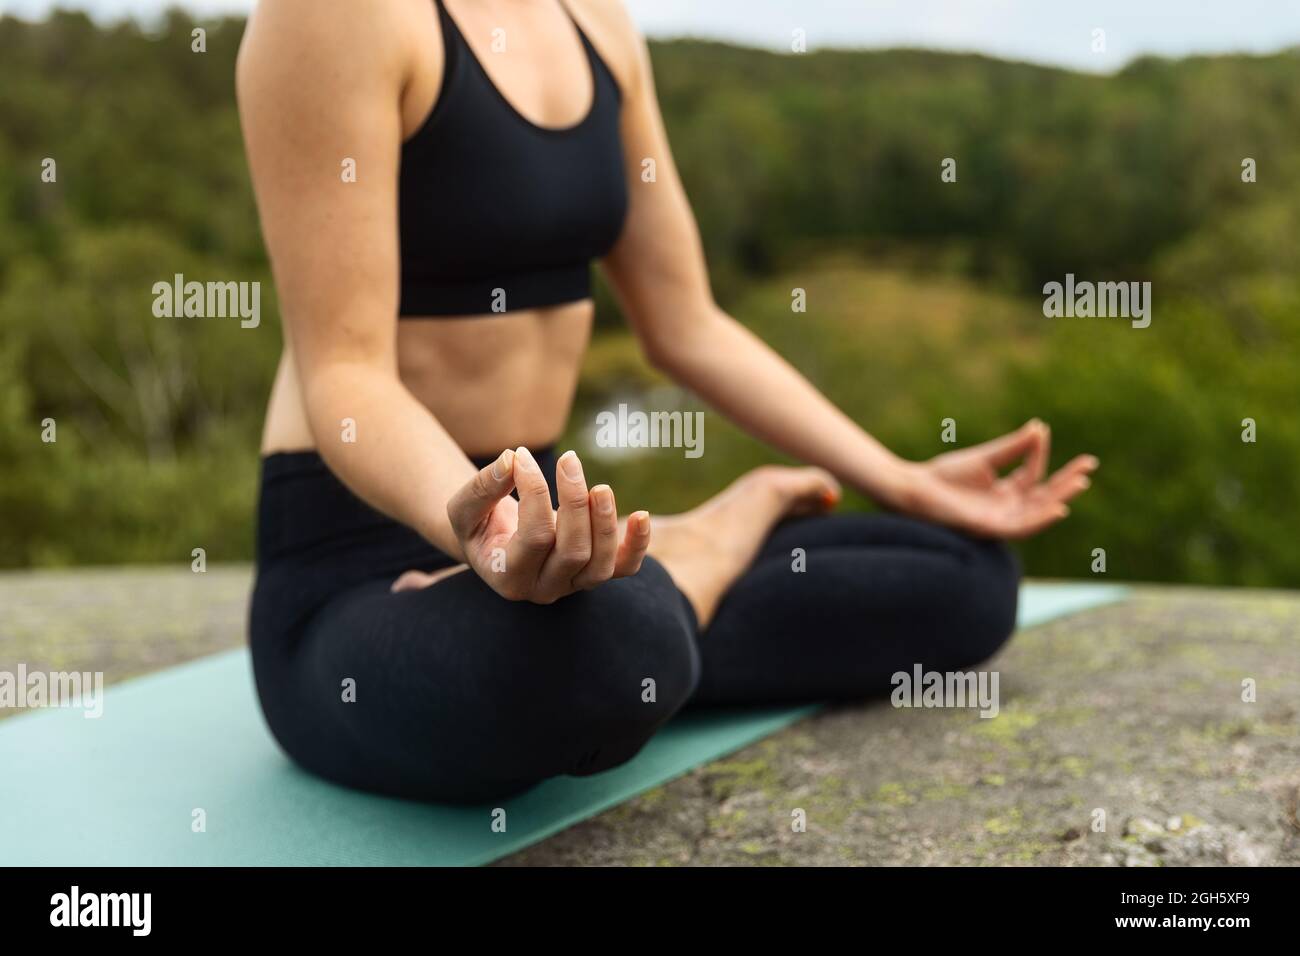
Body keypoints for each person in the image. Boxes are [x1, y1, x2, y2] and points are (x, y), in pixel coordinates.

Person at [236, 0, 1097, 802]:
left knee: (968, 579)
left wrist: (903, 479)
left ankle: (661, 589)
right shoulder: (337, 15)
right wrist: (469, 530)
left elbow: (687, 324)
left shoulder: (596, 23)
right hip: (361, 569)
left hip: (546, 550)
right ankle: (699, 551)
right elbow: (345, 375)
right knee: (610, 653)